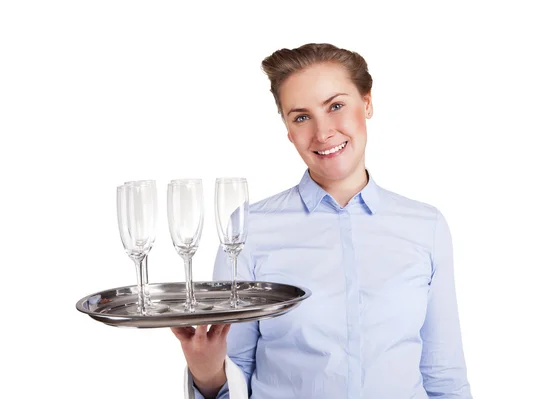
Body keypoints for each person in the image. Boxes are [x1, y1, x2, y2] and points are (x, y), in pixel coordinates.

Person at [172, 43, 472, 399]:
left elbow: (443, 375)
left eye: (336, 106)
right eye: (301, 117)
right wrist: (206, 374)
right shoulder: (249, 230)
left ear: (368, 103)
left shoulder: (426, 226)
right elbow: (233, 380)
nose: (322, 132)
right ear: (287, 129)